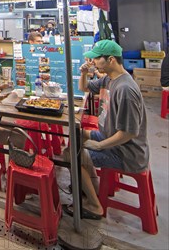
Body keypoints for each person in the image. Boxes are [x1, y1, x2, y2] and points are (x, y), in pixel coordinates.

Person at [64, 40, 149, 220]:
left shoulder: (125, 89)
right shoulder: (109, 79)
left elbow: (129, 133)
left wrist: (100, 145)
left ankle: (94, 206)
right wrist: (84, 73)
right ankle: (88, 184)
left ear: (111, 60)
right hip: (108, 136)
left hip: (126, 152)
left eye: (96, 59)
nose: (93, 61)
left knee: (73, 155)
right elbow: (84, 88)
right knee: (75, 138)